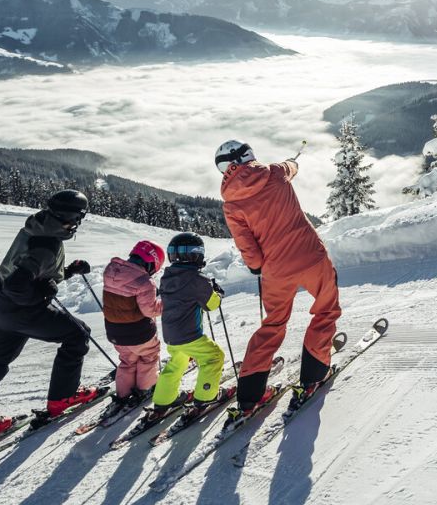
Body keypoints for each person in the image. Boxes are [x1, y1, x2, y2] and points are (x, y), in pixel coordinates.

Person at [0, 189, 102, 449]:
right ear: (75, 216)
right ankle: (62, 399)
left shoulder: (37, 228)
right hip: (22, 310)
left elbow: (30, 273)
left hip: (2, 309)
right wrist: (42, 292)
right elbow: (19, 286)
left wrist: (66, 272)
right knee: (78, 334)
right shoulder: (48, 243)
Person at [215, 139, 342, 413]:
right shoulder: (275, 172)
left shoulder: (231, 205)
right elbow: (291, 166)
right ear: (247, 155)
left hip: (275, 271)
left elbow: (247, 246)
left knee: (272, 325)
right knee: (326, 310)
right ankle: (314, 374)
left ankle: (249, 395)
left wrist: (257, 266)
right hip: (311, 257)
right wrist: (293, 162)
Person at [146, 232, 227, 420]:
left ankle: (163, 399)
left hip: (172, 336)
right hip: (191, 335)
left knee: (177, 362)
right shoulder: (197, 279)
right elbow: (211, 304)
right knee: (214, 357)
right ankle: (205, 398)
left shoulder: (167, 277)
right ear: (196, 255)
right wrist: (217, 293)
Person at [101, 239, 166, 407]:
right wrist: (164, 302)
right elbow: (150, 311)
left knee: (127, 361)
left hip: (114, 331)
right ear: (152, 262)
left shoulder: (110, 271)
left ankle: (123, 394)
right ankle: (145, 388)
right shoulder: (145, 282)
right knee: (148, 357)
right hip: (139, 333)